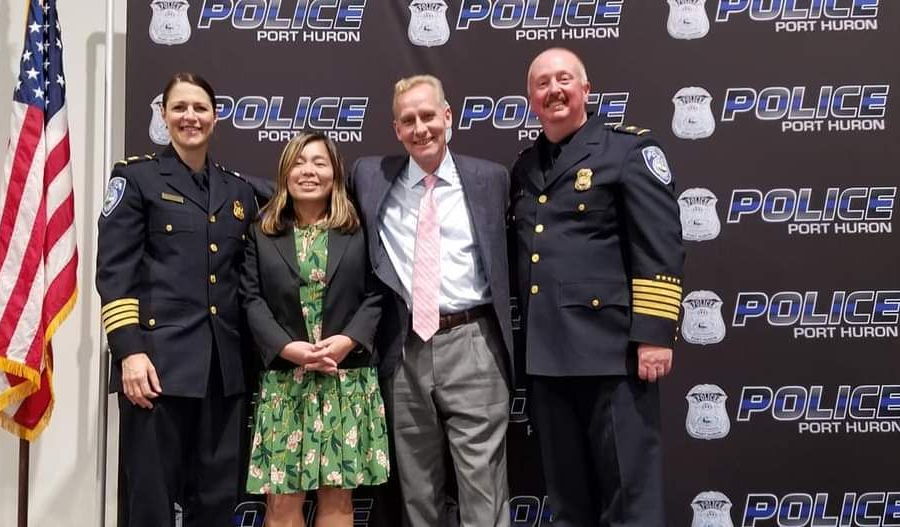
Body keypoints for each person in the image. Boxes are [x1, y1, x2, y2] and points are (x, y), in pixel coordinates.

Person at [509, 47, 685, 526]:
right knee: (569, 503)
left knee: (629, 497)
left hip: (614, 356)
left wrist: (654, 334)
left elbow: (661, 244)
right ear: (531, 99)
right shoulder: (525, 168)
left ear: (586, 89)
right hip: (548, 359)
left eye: (564, 79)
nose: (554, 90)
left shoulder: (627, 151)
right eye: (542, 84)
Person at [96, 72, 262, 527]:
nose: (191, 116)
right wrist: (129, 354)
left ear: (215, 116)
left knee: (216, 501)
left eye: (200, 108)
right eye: (180, 107)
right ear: (164, 116)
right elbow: (114, 274)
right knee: (151, 501)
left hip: (223, 375)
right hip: (156, 370)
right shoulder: (137, 179)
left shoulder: (238, 191)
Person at [349, 75, 514, 527]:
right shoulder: (369, 176)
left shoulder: (491, 179)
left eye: (428, 116)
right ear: (396, 129)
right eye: (408, 120)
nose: (420, 128)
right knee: (417, 491)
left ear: (448, 117)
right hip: (404, 349)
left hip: (474, 342)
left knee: (484, 487)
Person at [240, 132, 390, 527]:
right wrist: (289, 349)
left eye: (319, 162)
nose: (308, 171)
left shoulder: (360, 227)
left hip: (345, 377)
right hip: (286, 381)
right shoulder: (261, 231)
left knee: (338, 502)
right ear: (284, 173)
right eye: (298, 162)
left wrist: (347, 341)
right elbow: (251, 299)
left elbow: (378, 292)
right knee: (282, 504)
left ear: (335, 173)